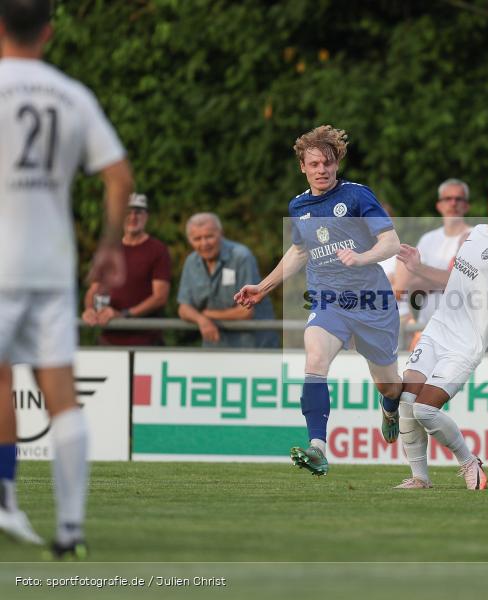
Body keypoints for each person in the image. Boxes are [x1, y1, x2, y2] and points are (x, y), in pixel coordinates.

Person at [0, 0, 133, 558]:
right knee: (60, 395)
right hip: (51, 267)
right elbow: (118, 177)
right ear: (49, 32)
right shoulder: (72, 94)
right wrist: (106, 247)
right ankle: (70, 528)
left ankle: (7, 497)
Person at [234, 125, 403, 476]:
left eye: (327, 162)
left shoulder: (357, 196)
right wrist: (262, 287)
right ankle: (317, 448)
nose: (322, 170)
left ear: (337, 163)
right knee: (314, 358)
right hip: (328, 299)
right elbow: (298, 251)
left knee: (388, 382)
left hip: (372, 300)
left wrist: (362, 257)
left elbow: (391, 242)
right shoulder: (299, 206)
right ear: (303, 167)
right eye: (314, 164)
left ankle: (389, 406)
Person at [394, 175, 488, 490]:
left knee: (425, 409)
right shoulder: (476, 233)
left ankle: (469, 462)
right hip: (437, 331)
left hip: (466, 344)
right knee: (406, 401)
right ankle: (420, 479)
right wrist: (417, 268)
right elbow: (452, 277)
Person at [176, 212, 279, 349]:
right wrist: (202, 320)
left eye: (209, 236)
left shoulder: (241, 256)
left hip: (253, 347)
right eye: (197, 238)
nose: (204, 243)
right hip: (215, 347)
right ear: (189, 241)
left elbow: (245, 311)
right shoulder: (191, 262)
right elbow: (183, 308)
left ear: (221, 233)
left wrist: (208, 314)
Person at [82, 192, 171, 346]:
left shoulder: (158, 250)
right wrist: (89, 309)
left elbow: (160, 297)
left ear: (146, 216)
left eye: (138, 212)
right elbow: (94, 289)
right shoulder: (109, 248)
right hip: (109, 338)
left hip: (146, 340)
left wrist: (124, 315)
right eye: (127, 212)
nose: (132, 217)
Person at [395, 178, 471, 333]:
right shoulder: (428, 239)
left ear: (466, 205)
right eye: (448, 199)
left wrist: (421, 272)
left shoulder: (475, 236)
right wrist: (445, 279)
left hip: (462, 329)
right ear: (439, 205)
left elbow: (464, 282)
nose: (453, 203)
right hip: (426, 328)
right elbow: (410, 284)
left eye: (458, 199)